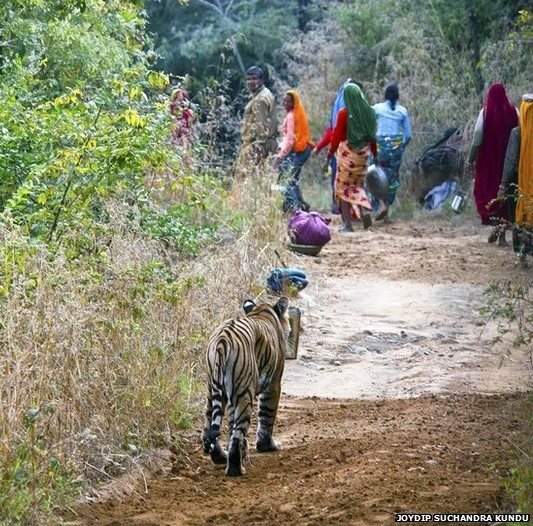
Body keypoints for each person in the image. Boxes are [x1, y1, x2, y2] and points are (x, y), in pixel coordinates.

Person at [468, 82, 518, 244]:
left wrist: (471, 158)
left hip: (488, 163)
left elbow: (477, 137)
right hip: (508, 163)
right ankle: (501, 232)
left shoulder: (485, 113)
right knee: (504, 195)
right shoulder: (514, 112)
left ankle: (496, 228)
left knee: (488, 193)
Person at [328, 83, 377, 232]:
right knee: (357, 186)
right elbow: (373, 137)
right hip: (363, 156)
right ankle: (365, 211)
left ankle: (348, 225)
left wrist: (330, 153)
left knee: (342, 189)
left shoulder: (344, 113)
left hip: (347, 155)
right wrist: (375, 154)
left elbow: (336, 136)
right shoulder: (370, 112)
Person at [314, 79, 356, 213]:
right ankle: (348, 208)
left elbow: (333, 130)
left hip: (342, 148)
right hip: (351, 148)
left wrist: (325, 149)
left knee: (340, 178)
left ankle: (342, 208)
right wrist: (320, 147)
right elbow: (331, 130)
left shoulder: (341, 109)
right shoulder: (357, 108)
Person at [372, 83, 412, 221]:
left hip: (380, 148)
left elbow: (368, 122)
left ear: (385, 95)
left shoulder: (377, 108)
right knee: (392, 178)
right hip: (396, 149)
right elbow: (408, 136)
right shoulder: (402, 111)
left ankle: (381, 204)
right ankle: (387, 213)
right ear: (398, 96)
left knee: (376, 175)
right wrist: (400, 147)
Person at [234, 66, 277, 180]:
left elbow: (260, 128)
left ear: (261, 80)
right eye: (248, 79)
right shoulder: (264, 94)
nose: (250, 82)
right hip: (264, 144)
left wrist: (250, 148)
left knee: (243, 180)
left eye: (254, 79)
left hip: (257, 145)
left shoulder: (260, 99)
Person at [274, 90, 313, 212]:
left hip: (298, 151)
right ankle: (301, 206)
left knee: (286, 180)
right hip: (303, 150)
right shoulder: (294, 114)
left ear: (294, 103)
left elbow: (290, 140)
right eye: (284, 100)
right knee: (292, 179)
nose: (285, 103)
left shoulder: (291, 116)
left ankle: (295, 210)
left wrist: (280, 156)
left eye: (288, 101)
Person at [500, 94, 533, 228]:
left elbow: (511, 160)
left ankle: (522, 242)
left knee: (517, 212)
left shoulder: (517, 133)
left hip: (519, 182)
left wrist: (503, 183)